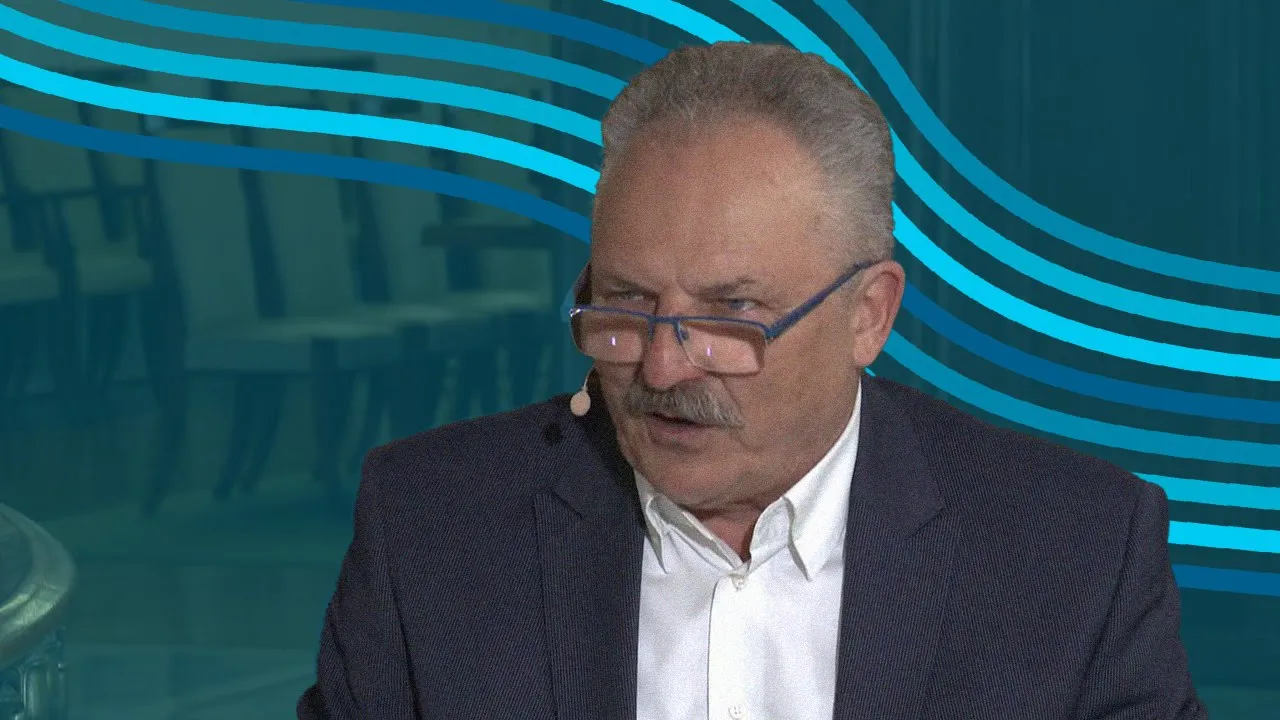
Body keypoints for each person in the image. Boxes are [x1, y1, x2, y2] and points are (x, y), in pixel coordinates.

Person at [297, 42, 1207, 719]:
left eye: (730, 316)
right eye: (626, 304)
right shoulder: (430, 526)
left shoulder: (1073, 553)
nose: (661, 367)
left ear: (869, 315)